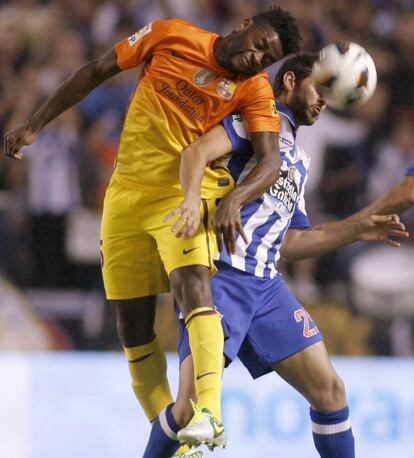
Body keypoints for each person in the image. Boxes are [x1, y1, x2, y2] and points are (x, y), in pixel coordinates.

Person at [3, 6, 301, 450]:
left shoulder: (254, 90)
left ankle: (210, 413)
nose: (257, 58)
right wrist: (34, 125)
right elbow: (97, 69)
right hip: (124, 195)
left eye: (267, 58)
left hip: (185, 196)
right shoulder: (171, 35)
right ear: (244, 26)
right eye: (260, 44)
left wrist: (234, 199)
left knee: (193, 284)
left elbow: (271, 159)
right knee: (132, 325)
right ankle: (178, 442)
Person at [146, 53, 408, 458]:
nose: (323, 101)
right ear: (289, 81)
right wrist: (190, 199)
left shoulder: (299, 161)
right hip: (221, 277)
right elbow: (197, 152)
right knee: (188, 409)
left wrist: (357, 229)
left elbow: (292, 243)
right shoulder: (253, 121)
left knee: (330, 390)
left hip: (267, 288)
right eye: (317, 89)